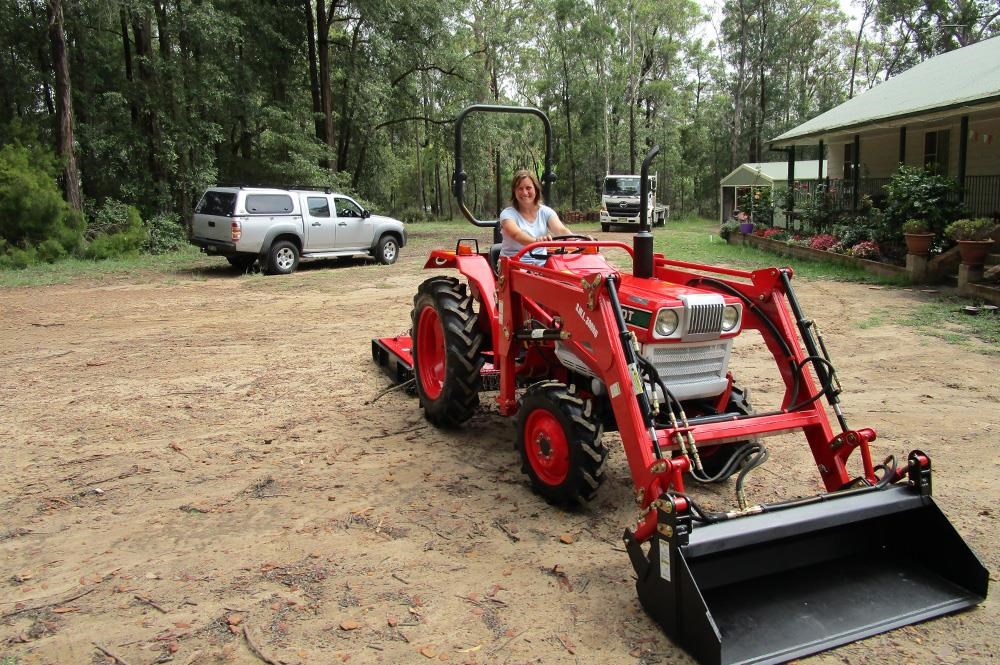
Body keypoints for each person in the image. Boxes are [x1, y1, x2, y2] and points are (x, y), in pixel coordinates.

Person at [498, 170, 574, 266]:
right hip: (513, 266)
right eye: (520, 189)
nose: (525, 192)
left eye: (528, 188)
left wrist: (578, 240)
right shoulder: (507, 214)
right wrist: (537, 241)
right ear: (514, 191)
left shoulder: (546, 212)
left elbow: (561, 230)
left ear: (536, 189)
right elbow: (517, 235)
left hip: (541, 265)